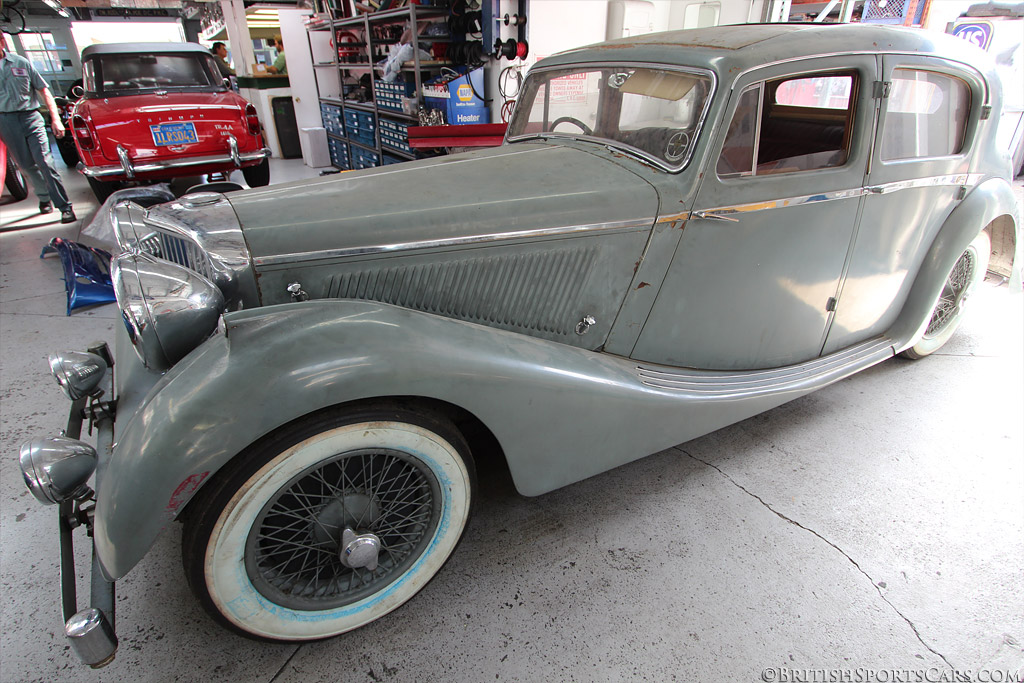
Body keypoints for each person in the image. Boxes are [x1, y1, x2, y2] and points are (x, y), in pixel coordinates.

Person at [0, 43, 76, 222]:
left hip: (31, 117)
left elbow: (43, 90)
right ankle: (44, 197)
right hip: (5, 121)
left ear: (1, 42)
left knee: (45, 162)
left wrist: (55, 118)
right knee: (26, 165)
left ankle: (65, 207)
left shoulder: (21, 62)